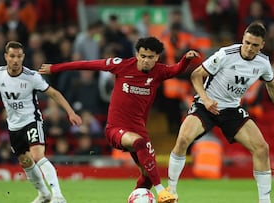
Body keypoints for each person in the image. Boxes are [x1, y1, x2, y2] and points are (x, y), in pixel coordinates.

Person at [39, 36, 200, 203]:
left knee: (147, 176)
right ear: (137, 54)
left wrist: (186, 60)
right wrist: (55, 68)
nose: (146, 60)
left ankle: (138, 197)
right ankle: (161, 191)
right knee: (139, 144)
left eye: (150, 57)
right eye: (143, 56)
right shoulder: (122, 65)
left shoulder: (159, 72)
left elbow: (176, 70)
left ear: (157, 58)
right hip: (116, 129)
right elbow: (87, 64)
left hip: (139, 130)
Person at [167, 22, 274, 203]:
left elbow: (271, 85)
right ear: (243, 38)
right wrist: (206, 99)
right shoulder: (225, 54)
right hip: (206, 106)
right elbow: (196, 75)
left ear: (262, 45)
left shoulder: (263, 62)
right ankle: (171, 192)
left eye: (255, 45)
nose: (250, 48)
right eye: (247, 42)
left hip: (232, 109)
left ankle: (265, 201)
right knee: (183, 139)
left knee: (261, 148)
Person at [0, 41, 82, 203]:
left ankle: (58, 195)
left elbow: (53, 93)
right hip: (13, 126)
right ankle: (44, 194)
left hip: (31, 121)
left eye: (19, 56)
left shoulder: (31, 76)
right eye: (12, 56)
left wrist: (70, 112)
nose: (15, 60)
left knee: (37, 156)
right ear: (6, 57)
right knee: (26, 162)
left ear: (23, 57)